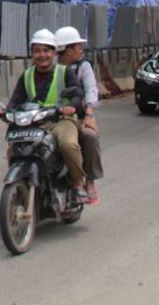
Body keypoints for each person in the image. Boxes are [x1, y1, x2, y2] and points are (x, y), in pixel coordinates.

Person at [0, 29, 88, 204]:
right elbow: (16, 100)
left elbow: (77, 94)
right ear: (32, 53)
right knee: (13, 149)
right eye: (37, 51)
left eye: (46, 50)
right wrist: (6, 112)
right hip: (34, 122)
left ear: (53, 52)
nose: (42, 55)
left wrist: (70, 107)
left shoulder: (64, 72)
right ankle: (23, 181)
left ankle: (77, 184)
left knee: (68, 145)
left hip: (60, 121)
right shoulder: (27, 75)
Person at [55, 26, 103, 205]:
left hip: (78, 116)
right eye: (78, 47)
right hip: (51, 117)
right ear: (68, 50)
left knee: (89, 136)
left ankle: (89, 181)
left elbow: (91, 89)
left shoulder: (83, 66)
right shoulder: (50, 66)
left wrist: (89, 114)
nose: (81, 50)